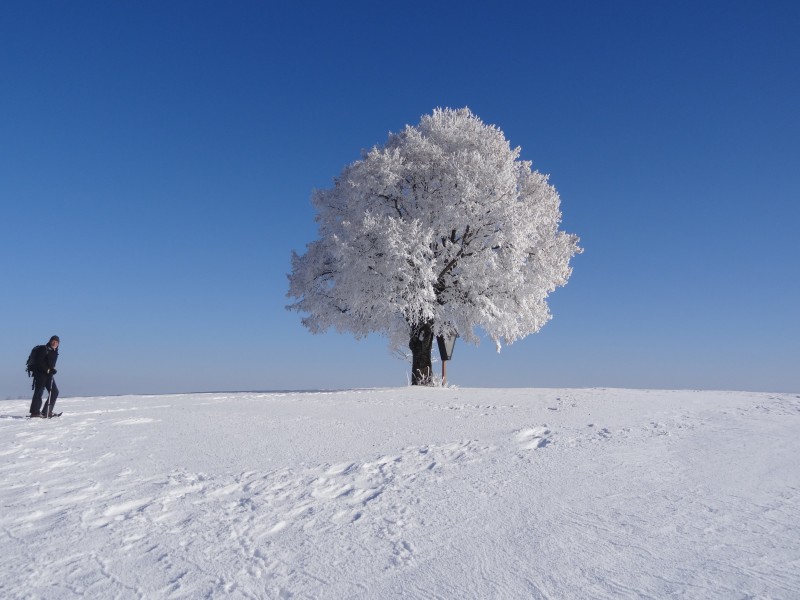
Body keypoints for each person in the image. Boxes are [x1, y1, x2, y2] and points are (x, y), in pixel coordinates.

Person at [29, 335, 60, 418]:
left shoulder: (55, 351)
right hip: (40, 374)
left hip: (48, 375)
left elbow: (50, 363)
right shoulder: (44, 349)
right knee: (39, 392)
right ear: (50, 341)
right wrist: (48, 369)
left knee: (54, 392)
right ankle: (35, 412)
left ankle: (47, 411)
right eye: (53, 341)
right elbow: (39, 362)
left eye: (57, 342)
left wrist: (52, 369)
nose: (55, 343)